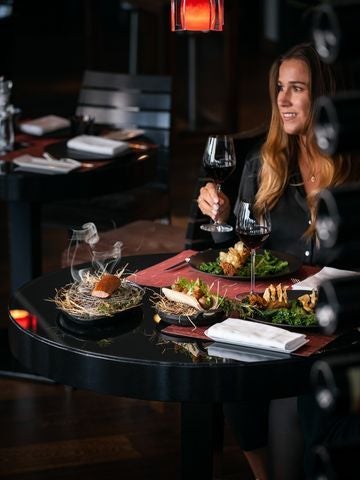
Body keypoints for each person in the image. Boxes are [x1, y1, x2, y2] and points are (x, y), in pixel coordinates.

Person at [197, 42, 360, 479]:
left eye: (298, 89)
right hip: (277, 321)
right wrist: (223, 216)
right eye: (280, 89)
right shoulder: (265, 164)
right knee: (233, 373)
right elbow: (240, 254)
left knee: (293, 398)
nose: (283, 100)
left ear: (324, 98)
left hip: (340, 328)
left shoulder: (354, 174)